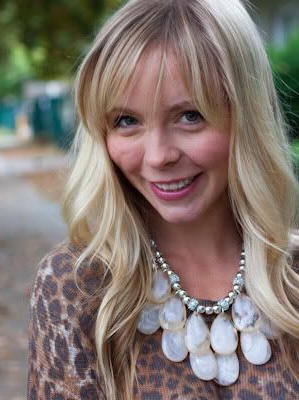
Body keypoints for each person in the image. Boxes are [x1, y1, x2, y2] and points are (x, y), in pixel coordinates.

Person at [27, 0, 299, 399]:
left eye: (190, 116)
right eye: (126, 121)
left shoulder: (292, 277)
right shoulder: (78, 288)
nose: (158, 156)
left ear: (247, 116)